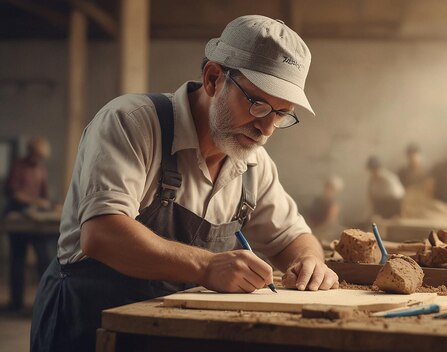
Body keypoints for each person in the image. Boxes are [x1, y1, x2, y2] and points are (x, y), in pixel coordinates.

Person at [31, 15, 338, 351]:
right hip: (88, 324)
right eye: (258, 104)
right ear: (213, 78)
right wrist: (206, 266)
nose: (266, 128)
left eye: (281, 113)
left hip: (170, 331)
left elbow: (290, 236)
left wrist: (308, 262)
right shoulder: (131, 123)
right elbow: (101, 233)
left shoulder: (254, 164)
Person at [3, 137, 56, 312]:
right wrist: (36, 202)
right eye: (37, 155)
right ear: (31, 152)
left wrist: (51, 205)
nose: (39, 159)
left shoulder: (40, 168)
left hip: (36, 221)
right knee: (18, 262)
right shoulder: (19, 166)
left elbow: (45, 195)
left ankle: (44, 301)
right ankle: (15, 303)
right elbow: (13, 192)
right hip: (20, 218)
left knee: (44, 259)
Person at [308, 176, 345, 244]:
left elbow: (329, 222)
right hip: (315, 228)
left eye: (331, 188)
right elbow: (311, 215)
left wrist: (316, 231)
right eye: (327, 187)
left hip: (327, 232)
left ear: (335, 191)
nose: (328, 190)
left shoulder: (334, 204)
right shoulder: (318, 200)